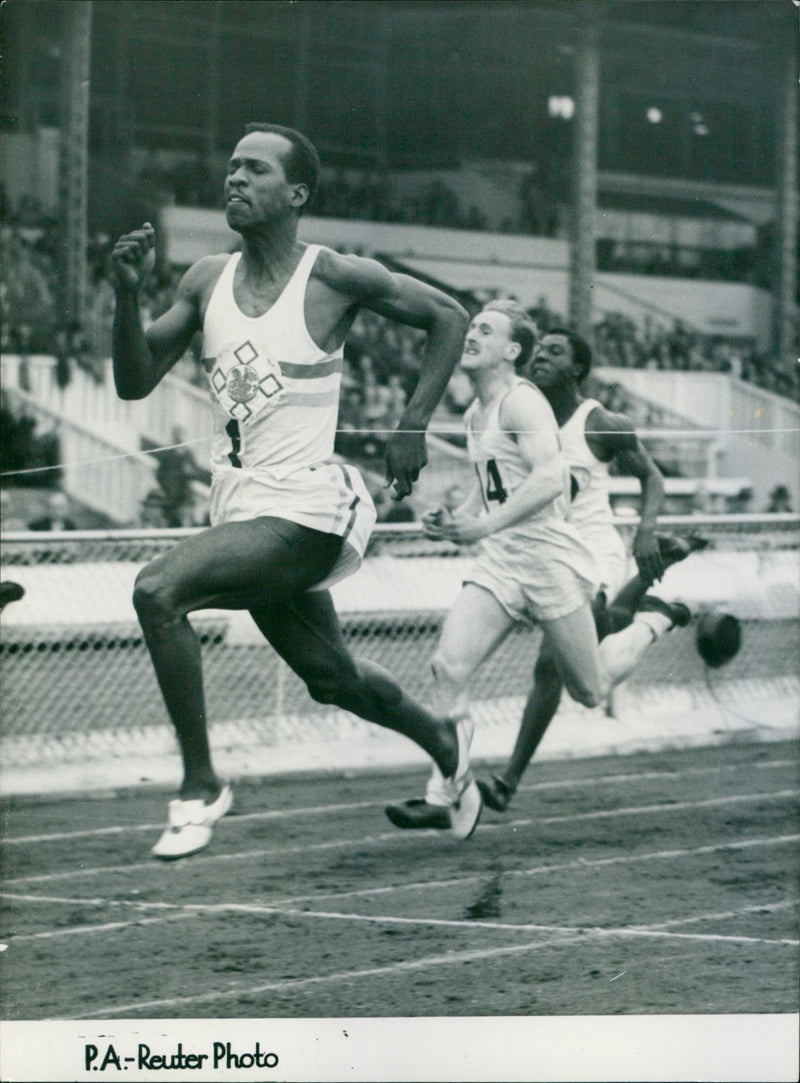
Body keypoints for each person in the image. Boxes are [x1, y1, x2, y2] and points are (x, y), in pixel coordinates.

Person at [110, 122, 479, 859]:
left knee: (158, 591)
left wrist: (411, 423)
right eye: (232, 167)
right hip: (243, 506)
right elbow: (133, 379)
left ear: (296, 193)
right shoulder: (204, 279)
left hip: (312, 503)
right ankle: (447, 743)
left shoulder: (333, 276)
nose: (234, 180)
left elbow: (449, 316)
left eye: (254, 169)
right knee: (331, 677)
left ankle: (199, 784)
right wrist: (124, 297)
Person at [386, 314, 694, 830]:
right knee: (447, 667)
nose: (472, 335)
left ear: (512, 352)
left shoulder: (525, 401)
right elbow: (485, 492)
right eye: (472, 327)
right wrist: (452, 520)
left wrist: (481, 527)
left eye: (487, 330)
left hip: (555, 559)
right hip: (503, 561)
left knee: (588, 690)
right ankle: (448, 794)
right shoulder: (474, 415)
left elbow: (551, 479)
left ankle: (653, 620)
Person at [477, 326, 703, 813]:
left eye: (556, 352)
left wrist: (645, 533)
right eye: (539, 351)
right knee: (576, 674)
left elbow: (653, 476)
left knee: (554, 662)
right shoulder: (518, 414)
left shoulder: (600, 421)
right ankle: (655, 606)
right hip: (547, 553)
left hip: (594, 551)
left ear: (577, 369)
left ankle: (507, 782)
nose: (541, 358)